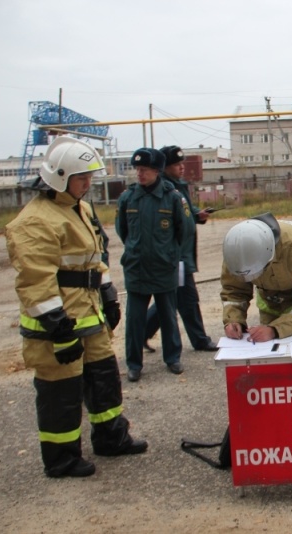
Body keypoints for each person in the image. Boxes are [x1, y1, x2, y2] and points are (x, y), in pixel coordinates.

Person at [5, 136, 147, 478]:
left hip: (89, 314)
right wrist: (57, 326)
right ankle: (61, 459)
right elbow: (35, 281)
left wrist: (109, 292)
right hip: (58, 324)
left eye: (89, 178)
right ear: (60, 177)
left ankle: (112, 438)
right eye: (82, 178)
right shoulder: (35, 221)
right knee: (61, 392)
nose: (89, 184)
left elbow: (92, 259)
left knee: (104, 380)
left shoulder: (78, 207)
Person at [116, 147, 191, 382]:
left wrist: (168, 253)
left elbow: (185, 230)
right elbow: (122, 230)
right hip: (136, 268)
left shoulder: (172, 197)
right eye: (137, 169)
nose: (140, 174)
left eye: (145, 170)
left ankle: (172, 358)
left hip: (163, 267)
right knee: (135, 319)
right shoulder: (128, 198)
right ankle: (134, 364)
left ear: (157, 171)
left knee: (168, 316)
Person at [144, 145, 217, 353]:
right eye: (176, 165)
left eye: (181, 164)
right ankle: (200, 340)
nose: (182, 168)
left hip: (183, 254)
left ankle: (141, 332)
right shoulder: (164, 189)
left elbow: (185, 211)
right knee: (185, 298)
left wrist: (197, 214)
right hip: (175, 256)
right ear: (165, 167)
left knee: (173, 298)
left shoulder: (178, 185)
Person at [221, 212, 292, 341]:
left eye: (256, 272)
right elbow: (234, 291)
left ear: (269, 257)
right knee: (271, 348)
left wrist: (275, 329)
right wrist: (233, 319)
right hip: (272, 297)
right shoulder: (236, 254)